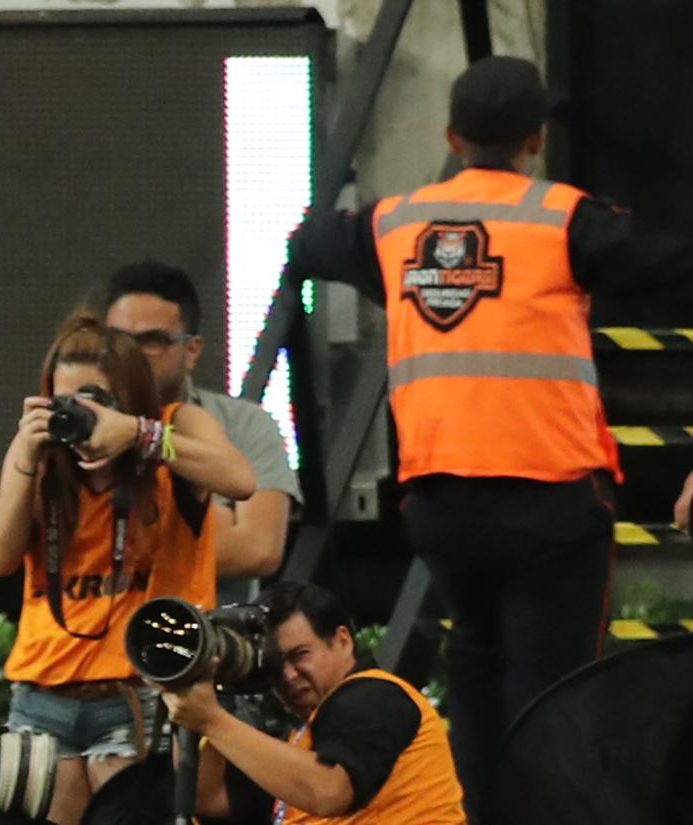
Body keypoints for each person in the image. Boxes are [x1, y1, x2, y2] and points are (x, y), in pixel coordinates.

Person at [281, 55, 693, 809]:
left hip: (443, 504)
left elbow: (308, 246)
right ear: (535, 138)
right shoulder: (566, 218)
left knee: (474, 671)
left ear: (451, 134)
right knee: (558, 690)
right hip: (552, 500)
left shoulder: (394, 225)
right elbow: (668, 266)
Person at [0, 314, 256, 825]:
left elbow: (239, 479)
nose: (79, 414)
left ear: (128, 397)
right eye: (66, 401)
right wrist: (25, 455)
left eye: (94, 400)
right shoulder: (43, 460)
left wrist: (137, 435)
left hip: (138, 693)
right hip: (42, 696)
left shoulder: (174, 427)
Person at [159, 582, 465, 825]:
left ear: (343, 640)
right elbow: (209, 798)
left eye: (300, 655)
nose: (289, 675)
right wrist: (199, 689)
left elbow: (328, 792)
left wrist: (212, 720)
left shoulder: (375, 694)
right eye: (275, 665)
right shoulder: (296, 746)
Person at [99, 260, 303, 602]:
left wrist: (115, 546)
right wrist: (207, 526)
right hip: (95, 641)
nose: (131, 354)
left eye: (152, 340)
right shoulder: (82, 423)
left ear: (191, 351)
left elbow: (259, 549)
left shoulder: (245, 424)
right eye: (118, 340)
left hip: (213, 633)